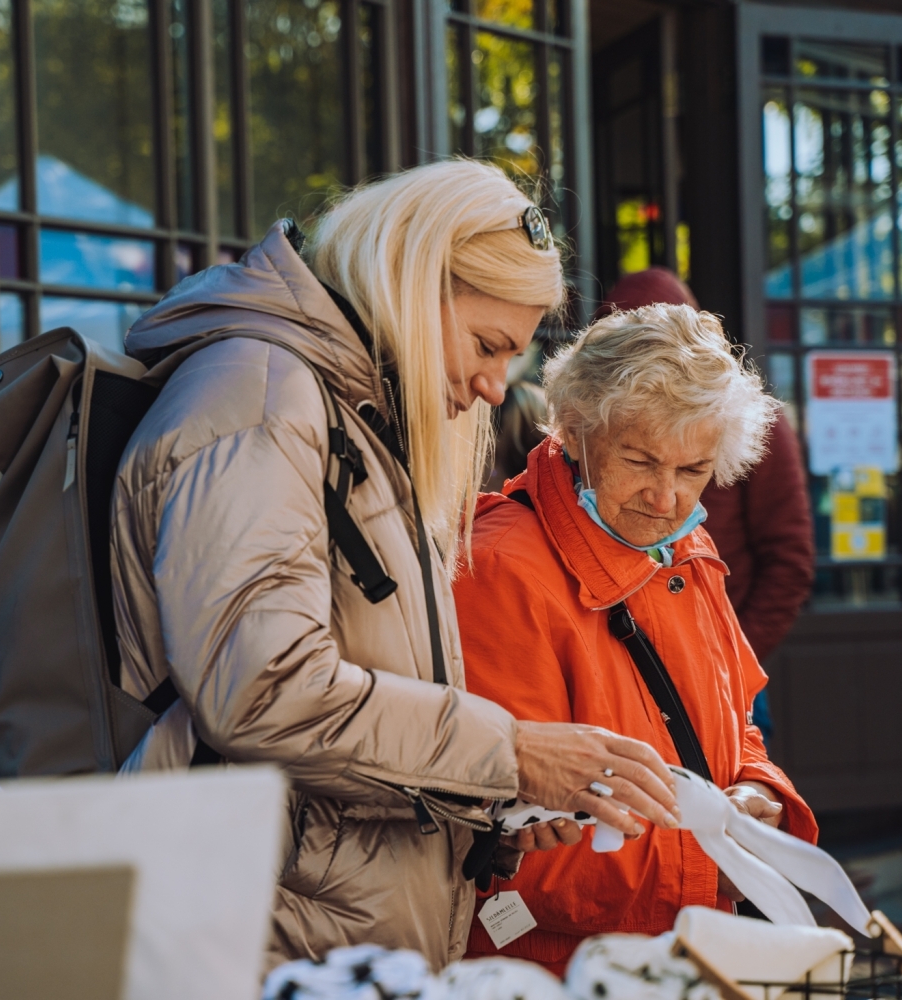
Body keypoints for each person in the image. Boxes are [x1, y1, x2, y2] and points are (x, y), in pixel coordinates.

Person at [108, 161, 682, 971]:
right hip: (268, 933)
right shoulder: (263, 403)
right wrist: (510, 752)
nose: (492, 388)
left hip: (321, 928)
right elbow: (264, 689)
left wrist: (493, 801)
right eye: (487, 346)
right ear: (411, 281)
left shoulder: (336, 411)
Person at [454, 304, 819, 974]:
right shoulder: (500, 568)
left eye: (693, 470)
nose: (666, 498)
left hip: (680, 953)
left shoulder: (686, 547)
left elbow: (732, 722)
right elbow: (507, 836)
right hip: (558, 971)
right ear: (572, 430)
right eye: (640, 460)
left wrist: (758, 795)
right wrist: (711, 856)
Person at [601, 268, 814, 745]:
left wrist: (728, 661)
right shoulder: (600, 420)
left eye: (691, 470)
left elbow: (790, 560)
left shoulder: (745, 420)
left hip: (723, 668)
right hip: (621, 674)